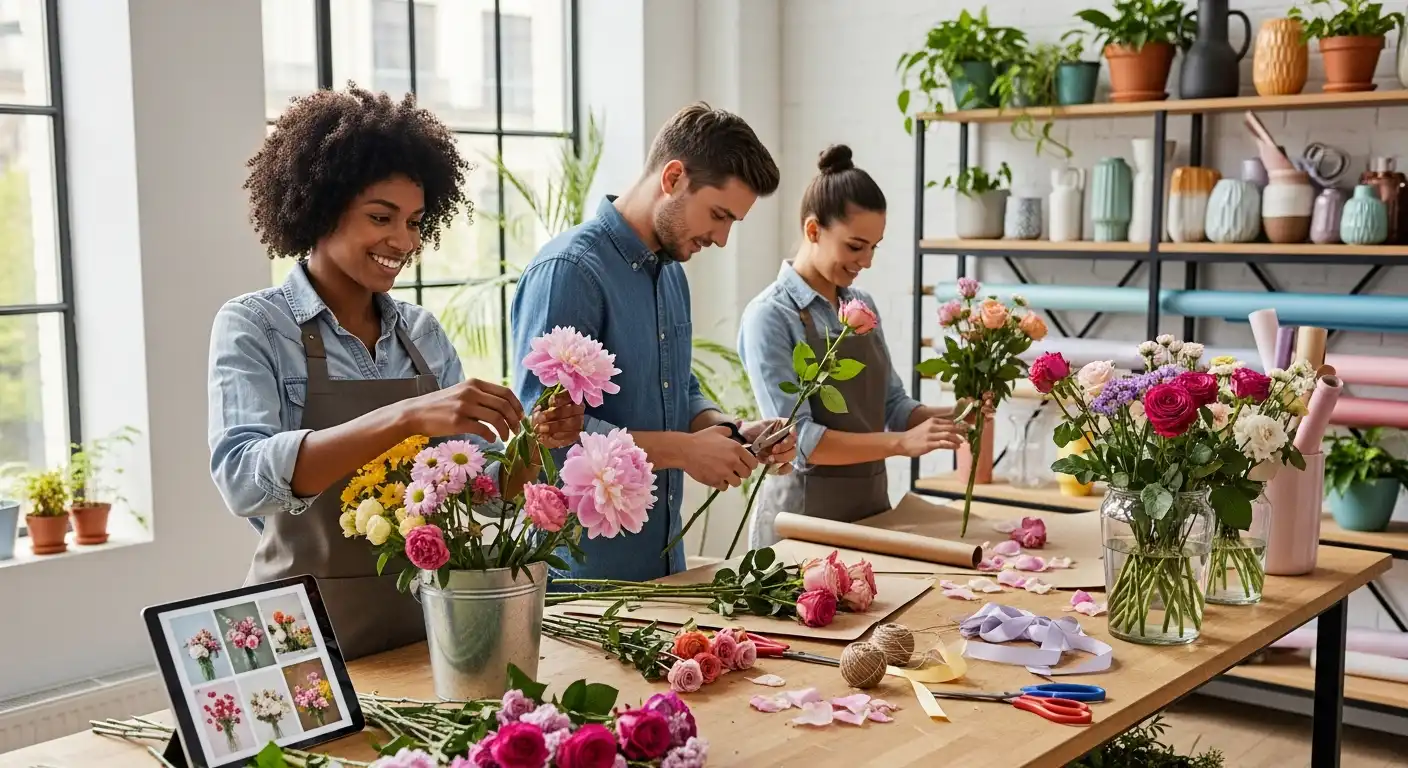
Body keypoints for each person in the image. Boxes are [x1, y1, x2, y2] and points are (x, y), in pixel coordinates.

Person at [208, 86, 583, 660]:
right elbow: (243, 478)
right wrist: (406, 416)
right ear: (320, 205)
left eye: (414, 222)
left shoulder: (423, 335)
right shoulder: (255, 325)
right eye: (381, 218)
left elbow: (480, 497)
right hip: (295, 637)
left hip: (423, 625)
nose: (404, 242)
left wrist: (532, 445)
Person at [510, 102, 798, 582]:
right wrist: (684, 451)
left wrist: (730, 430)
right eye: (718, 215)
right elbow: (542, 441)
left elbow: (677, 389)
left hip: (663, 570)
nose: (723, 239)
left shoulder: (670, 276)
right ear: (673, 177)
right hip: (586, 583)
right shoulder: (569, 273)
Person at [737, 144, 971, 549]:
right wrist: (900, 444)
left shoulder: (859, 307)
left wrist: (957, 413)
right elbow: (802, 440)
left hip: (869, 514)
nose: (867, 260)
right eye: (855, 245)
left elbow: (892, 407)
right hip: (802, 524)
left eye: (874, 247)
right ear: (813, 231)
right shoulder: (770, 317)